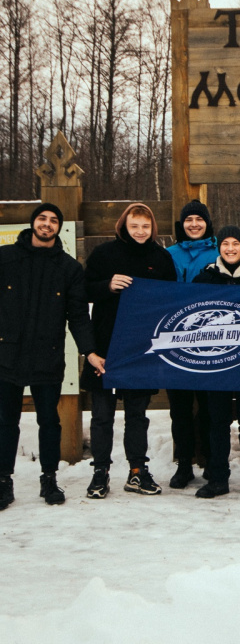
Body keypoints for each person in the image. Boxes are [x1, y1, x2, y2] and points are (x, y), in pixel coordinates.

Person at [0, 204, 105, 510]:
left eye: (53, 221)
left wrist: (90, 352)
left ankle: (49, 478)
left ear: (59, 228)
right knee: (6, 421)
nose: (47, 224)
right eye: (42, 219)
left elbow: (78, 316)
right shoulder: (5, 258)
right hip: (7, 355)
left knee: (50, 421)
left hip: (48, 356)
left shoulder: (69, 268)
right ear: (33, 222)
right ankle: (4, 480)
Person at [82, 203, 177, 498]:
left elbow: (172, 299)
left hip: (142, 348)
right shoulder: (104, 254)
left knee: (137, 414)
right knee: (102, 415)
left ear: (153, 229)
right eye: (134, 226)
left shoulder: (161, 258)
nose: (140, 231)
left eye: (145, 227)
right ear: (124, 225)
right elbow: (82, 290)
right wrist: (107, 286)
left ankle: (137, 471)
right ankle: (100, 472)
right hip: (105, 346)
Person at [193, 226, 240, 500]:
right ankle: (217, 478)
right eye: (225, 243)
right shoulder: (205, 279)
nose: (230, 248)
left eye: (235, 244)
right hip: (215, 363)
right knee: (217, 421)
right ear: (219, 248)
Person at [165, 199, 217, 489]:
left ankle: (210, 460)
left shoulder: (221, 249)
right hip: (176, 339)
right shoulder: (169, 254)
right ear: (182, 225)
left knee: (209, 405)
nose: (194, 224)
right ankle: (184, 463)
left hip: (211, 340)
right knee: (180, 408)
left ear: (207, 223)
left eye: (199, 219)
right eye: (189, 220)